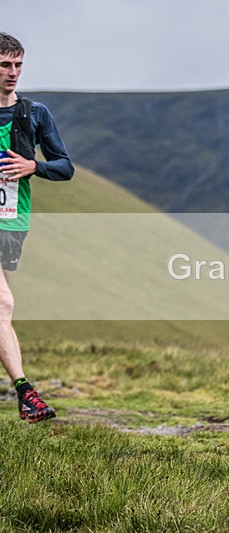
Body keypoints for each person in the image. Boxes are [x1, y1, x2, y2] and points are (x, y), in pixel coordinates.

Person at [0, 33, 74, 422]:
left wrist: (34, 167)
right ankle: (26, 393)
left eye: (18, 66)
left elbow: (65, 167)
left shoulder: (35, 114)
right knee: (3, 304)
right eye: (4, 65)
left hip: (14, 221)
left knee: (3, 313)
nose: (13, 73)